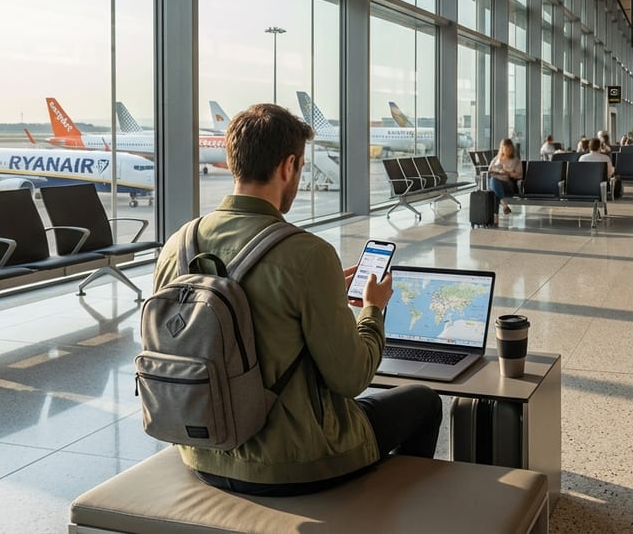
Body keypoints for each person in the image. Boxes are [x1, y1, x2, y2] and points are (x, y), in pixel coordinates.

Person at [152, 103, 441, 496]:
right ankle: (385, 511)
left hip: (201, 453)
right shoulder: (307, 254)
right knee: (424, 402)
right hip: (298, 463)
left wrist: (324, 294)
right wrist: (372, 309)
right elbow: (352, 378)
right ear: (289, 166)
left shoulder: (178, 244)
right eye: (301, 167)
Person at [488, 138, 523, 216]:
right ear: (502, 149)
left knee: (494, 185)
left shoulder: (516, 160)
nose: (507, 151)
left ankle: (502, 207)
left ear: (512, 148)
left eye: (509, 148)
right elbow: (490, 169)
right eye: (505, 148)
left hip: (507, 184)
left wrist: (508, 173)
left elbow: (520, 175)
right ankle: (503, 207)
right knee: (494, 182)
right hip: (496, 182)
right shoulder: (497, 158)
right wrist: (500, 171)